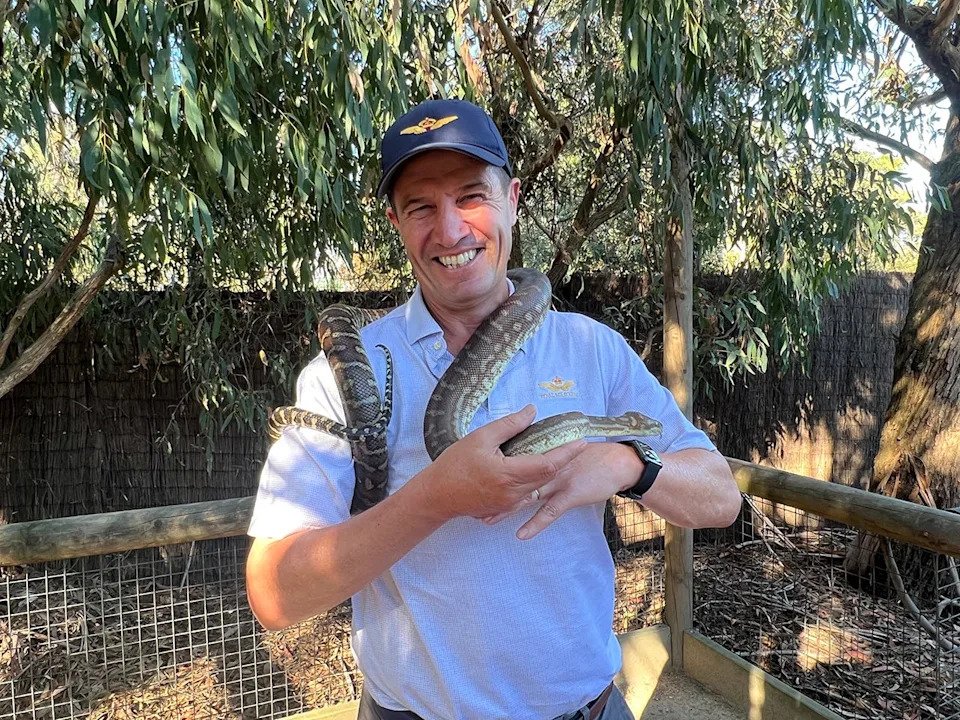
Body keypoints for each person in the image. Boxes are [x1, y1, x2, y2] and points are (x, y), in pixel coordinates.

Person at [246, 98, 742, 720]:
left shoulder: (592, 350)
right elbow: (274, 593)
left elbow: (721, 499)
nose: (451, 231)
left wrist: (630, 466)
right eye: (421, 206)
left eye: (471, 196)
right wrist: (436, 497)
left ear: (511, 199)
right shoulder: (346, 374)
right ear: (397, 222)